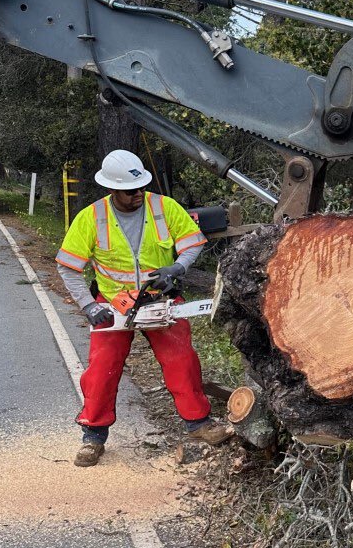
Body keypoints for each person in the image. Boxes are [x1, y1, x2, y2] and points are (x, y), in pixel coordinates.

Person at [56, 149, 229, 466]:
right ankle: (93, 436)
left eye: (140, 188)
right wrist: (88, 306)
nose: (137, 194)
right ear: (113, 189)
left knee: (182, 360)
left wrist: (177, 268)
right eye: (130, 191)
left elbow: (192, 243)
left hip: (160, 299)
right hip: (113, 303)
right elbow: (68, 267)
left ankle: (199, 423)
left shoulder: (164, 207)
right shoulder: (91, 217)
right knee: (101, 369)